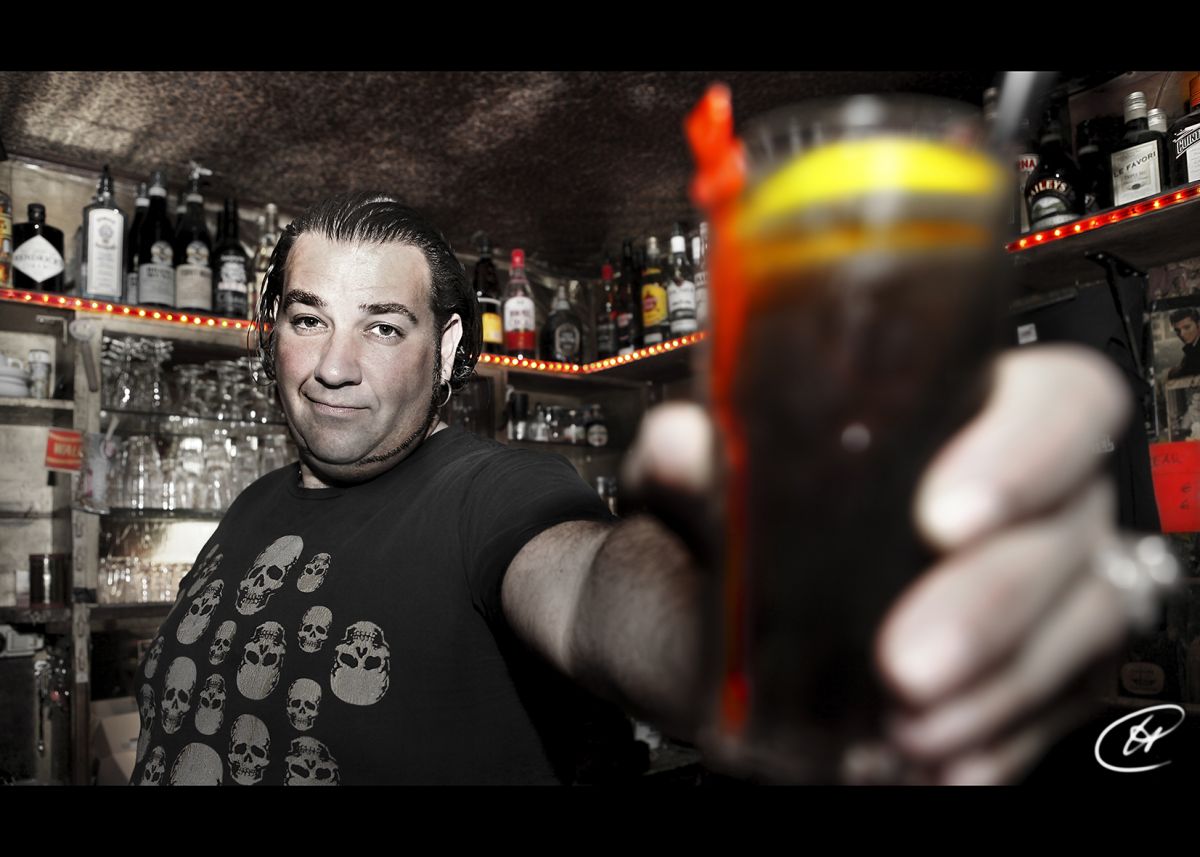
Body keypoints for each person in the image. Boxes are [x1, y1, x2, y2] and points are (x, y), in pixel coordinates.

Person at [129, 192, 1158, 786]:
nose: (334, 364)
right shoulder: (253, 506)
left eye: (382, 327)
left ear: (446, 351)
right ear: (271, 331)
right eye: (308, 318)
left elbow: (592, 587)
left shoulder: (490, 491)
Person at [1167, 308, 1200, 380]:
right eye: (1177, 330)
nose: (1182, 334)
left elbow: (1185, 372)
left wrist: (1171, 372)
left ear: (1198, 325)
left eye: (1187, 327)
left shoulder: (1195, 349)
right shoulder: (1192, 346)